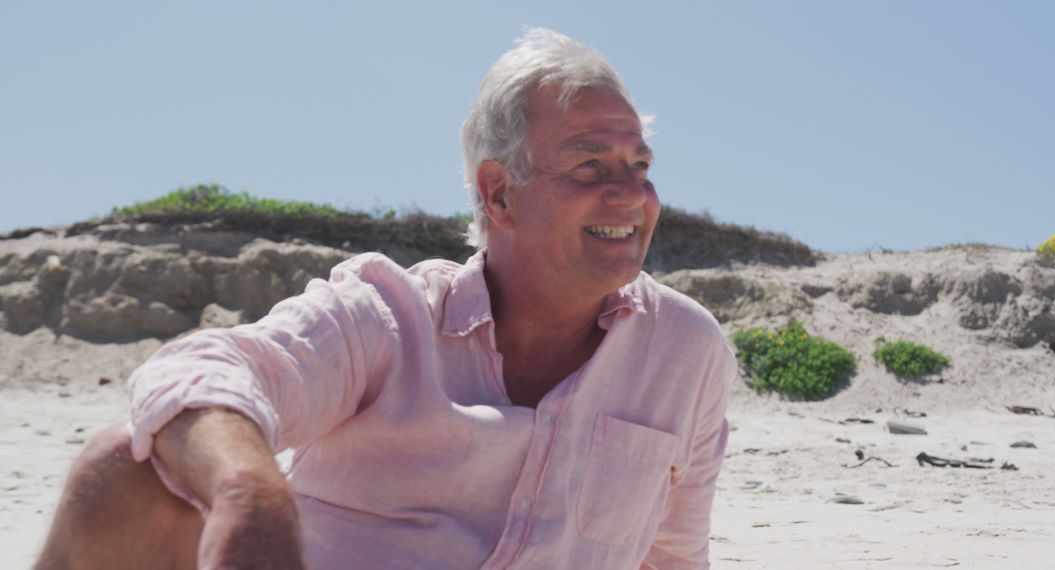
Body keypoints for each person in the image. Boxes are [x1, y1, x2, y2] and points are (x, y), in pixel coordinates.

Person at [36, 27, 735, 569]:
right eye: (591, 164)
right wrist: (254, 493)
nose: (631, 194)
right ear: (499, 193)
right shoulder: (388, 317)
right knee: (118, 469)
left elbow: (670, 557)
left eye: (639, 166)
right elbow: (193, 371)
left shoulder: (686, 350)